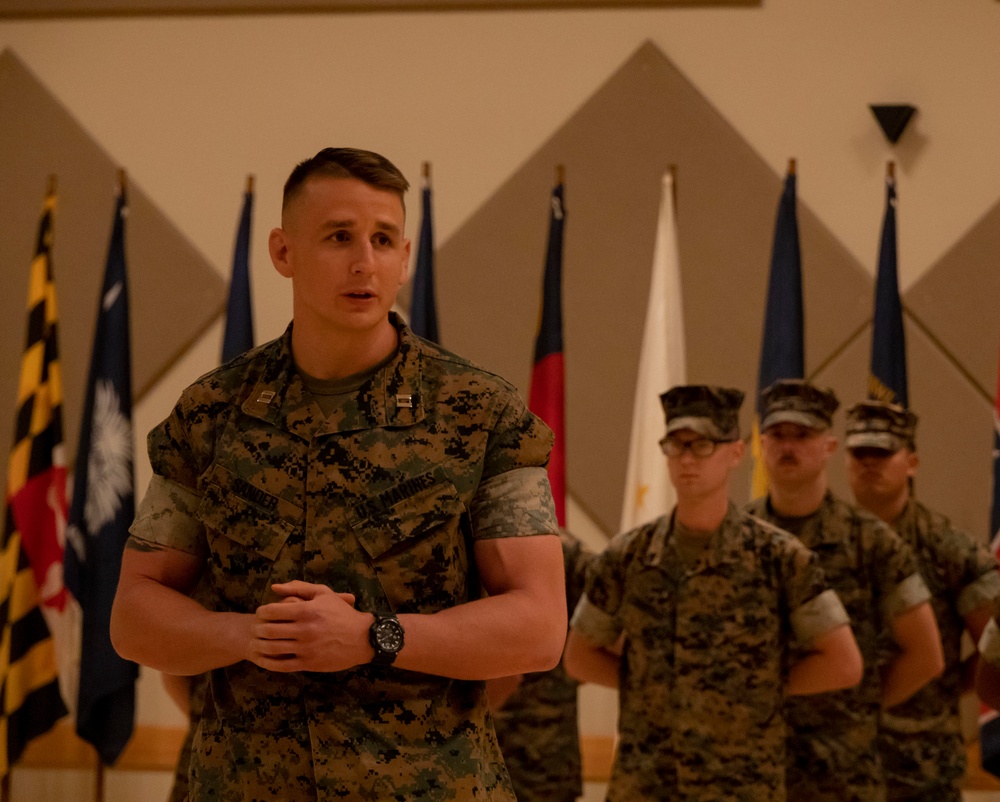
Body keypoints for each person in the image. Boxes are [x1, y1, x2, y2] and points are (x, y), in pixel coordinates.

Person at [109, 147, 568, 801]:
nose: (364, 262)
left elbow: (540, 627)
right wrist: (246, 633)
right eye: (338, 237)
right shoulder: (213, 413)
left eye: (383, 240)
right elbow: (133, 613)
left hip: (427, 786)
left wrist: (375, 637)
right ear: (283, 252)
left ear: (406, 257)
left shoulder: (479, 413)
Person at [564, 384, 862, 802]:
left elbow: (843, 663)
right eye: (676, 445)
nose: (687, 459)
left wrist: (752, 691)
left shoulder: (780, 558)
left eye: (702, 445)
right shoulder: (628, 555)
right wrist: (654, 686)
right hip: (647, 781)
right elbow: (579, 655)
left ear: (736, 454)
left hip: (740, 781)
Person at [746, 379, 944, 802]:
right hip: (750, 768)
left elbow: (926, 655)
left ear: (830, 446)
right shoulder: (735, 537)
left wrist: (861, 708)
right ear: (760, 444)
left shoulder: (871, 541)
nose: (788, 446)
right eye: (778, 434)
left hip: (842, 776)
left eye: (803, 435)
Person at [844, 400, 1000, 802]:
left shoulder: (948, 550)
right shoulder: (822, 543)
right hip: (836, 765)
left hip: (922, 764)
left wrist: (946, 681)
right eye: (859, 453)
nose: (869, 463)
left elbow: (994, 647)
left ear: (910, 461)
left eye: (882, 452)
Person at [488, 530, 594, 802]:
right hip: (473, 757)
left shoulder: (563, 555)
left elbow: (603, 640)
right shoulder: (456, 543)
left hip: (545, 759)